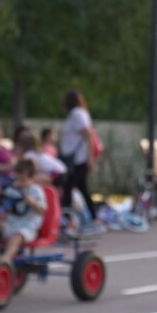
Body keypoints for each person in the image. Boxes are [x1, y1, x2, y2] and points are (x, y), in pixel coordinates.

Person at [0, 158, 46, 262]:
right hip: (11, 223)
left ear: (32, 178)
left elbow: (42, 211)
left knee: (16, 237)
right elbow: (1, 207)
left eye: (23, 180)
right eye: (17, 179)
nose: (19, 183)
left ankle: (5, 260)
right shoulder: (12, 188)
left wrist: (34, 203)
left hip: (27, 227)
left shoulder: (36, 191)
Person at [58, 90, 97, 220]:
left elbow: (88, 135)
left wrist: (90, 157)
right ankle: (93, 216)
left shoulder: (77, 114)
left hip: (78, 158)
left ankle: (67, 217)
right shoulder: (77, 114)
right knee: (81, 187)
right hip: (77, 158)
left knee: (68, 186)